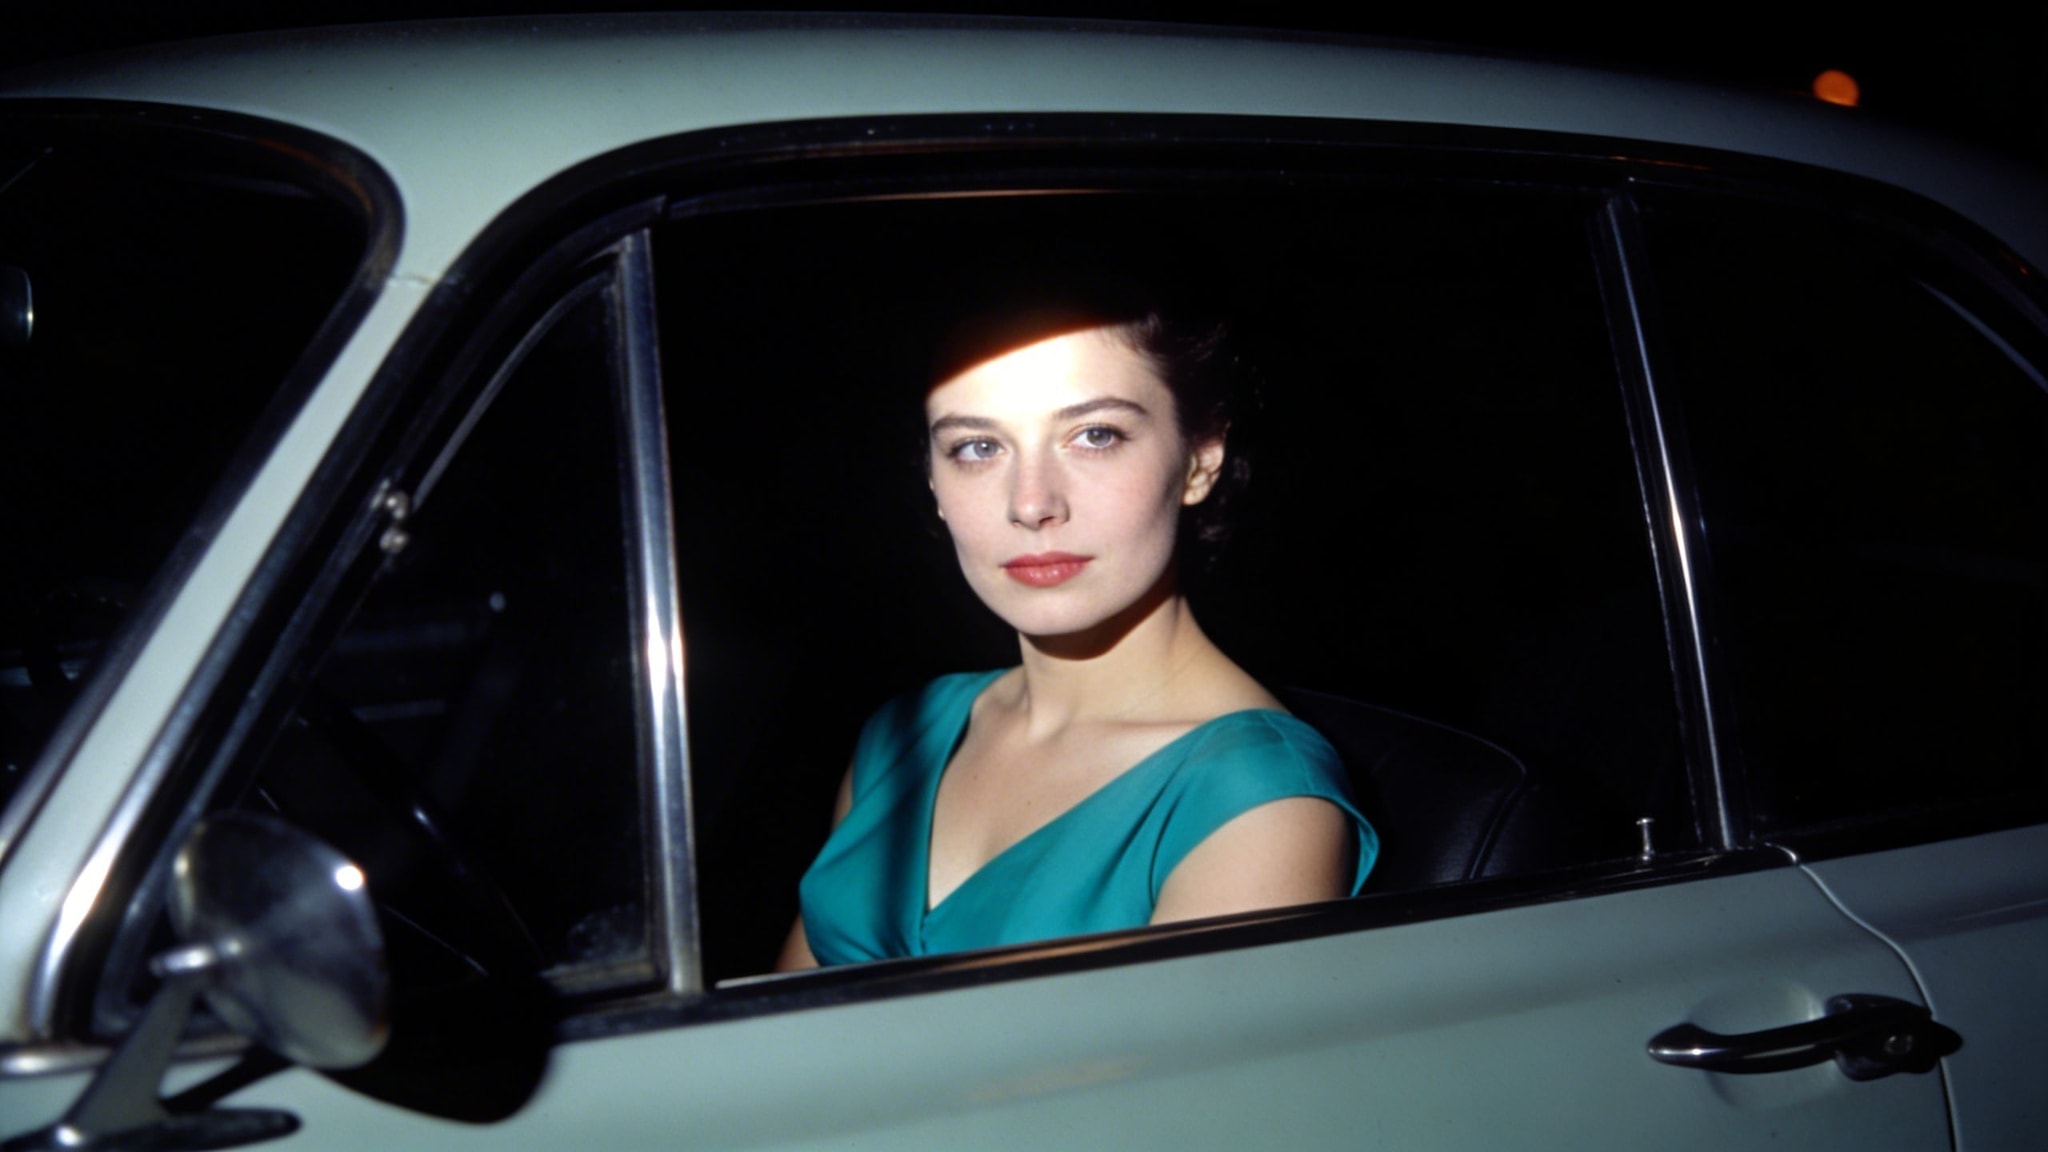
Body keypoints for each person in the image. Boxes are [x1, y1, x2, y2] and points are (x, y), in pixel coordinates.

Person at [778, 292, 1377, 969]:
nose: (1031, 502)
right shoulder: (901, 736)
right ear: (934, 484)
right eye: (978, 447)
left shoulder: (1258, 801)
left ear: (1200, 460)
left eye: (1095, 436)